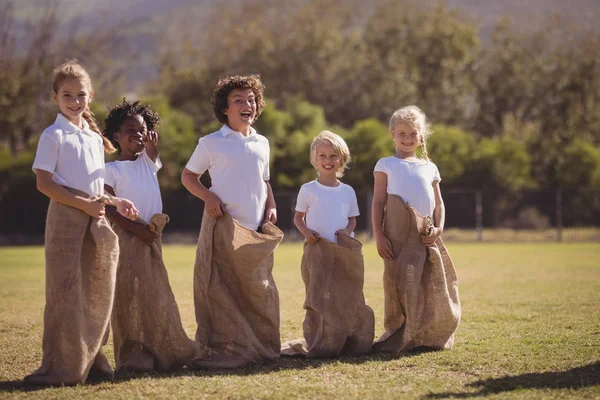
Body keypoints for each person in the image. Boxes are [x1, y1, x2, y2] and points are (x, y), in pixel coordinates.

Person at [25, 60, 138, 386]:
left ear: (90, 96)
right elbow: (45, 184)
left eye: (80, 95)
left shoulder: (92, 136)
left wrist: (115, 201)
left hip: (95, 216)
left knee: (94, 293)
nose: (75, 101)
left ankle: (92, 362)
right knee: (65, 293)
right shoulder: (53, 135)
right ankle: (60, 366)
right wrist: (83, 205)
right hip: (66, 218)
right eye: (67, 95)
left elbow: (96, 183)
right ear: (55, 97)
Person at [181, 75, 283, 368]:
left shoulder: (262, 142)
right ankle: (224, 350)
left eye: (251, 99)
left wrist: (272, 205)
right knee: (221, 291)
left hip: (254, 232)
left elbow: (265, 180)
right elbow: (188, 177)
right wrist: (208, 198)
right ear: (225, 109)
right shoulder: (211, 143)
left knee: (258, 291)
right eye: (238, 100)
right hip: (223, 228)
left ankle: (260, 347)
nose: (246, 104)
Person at [103, 99, 203, 373]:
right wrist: (135, 229)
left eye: (142, 129)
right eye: (129, 130)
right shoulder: (111, 169)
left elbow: (154, 155)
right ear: (116, 136)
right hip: (127, 236)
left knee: (155, 294)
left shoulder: (148, 162)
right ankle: (134, 355)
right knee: (128, 296)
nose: (137, 134)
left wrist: (151, 145)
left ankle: (163, 350)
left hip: (151, 237)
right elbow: (107, 207)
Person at [371, 105, 461, 352]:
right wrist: (378, 235)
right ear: (392, 134)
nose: (407, 139)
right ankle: (399, 332)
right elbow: (378, 202)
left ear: (421, 135)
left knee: (428, 284)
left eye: (413, 134)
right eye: (402, 134)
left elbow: (439, 203)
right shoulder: (385, 164)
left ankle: (428, 335)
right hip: (396, 236)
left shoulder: (429, 167)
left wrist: (439, 228)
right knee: (399, 285)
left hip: (427, 236)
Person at [281, 130, 374, 358]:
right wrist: (307, 233)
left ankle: (350, 339)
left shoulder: (347, 191)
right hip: (317, 251)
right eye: (322, 155)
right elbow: (298, 218)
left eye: (333, 156)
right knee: (320, 296)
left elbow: (352, 220)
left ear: (342, 159)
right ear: (315, 159)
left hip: (343, 252)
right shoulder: (308, 190)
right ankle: (321, 340)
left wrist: (347, 231)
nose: (327, 160)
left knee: (347, 294)